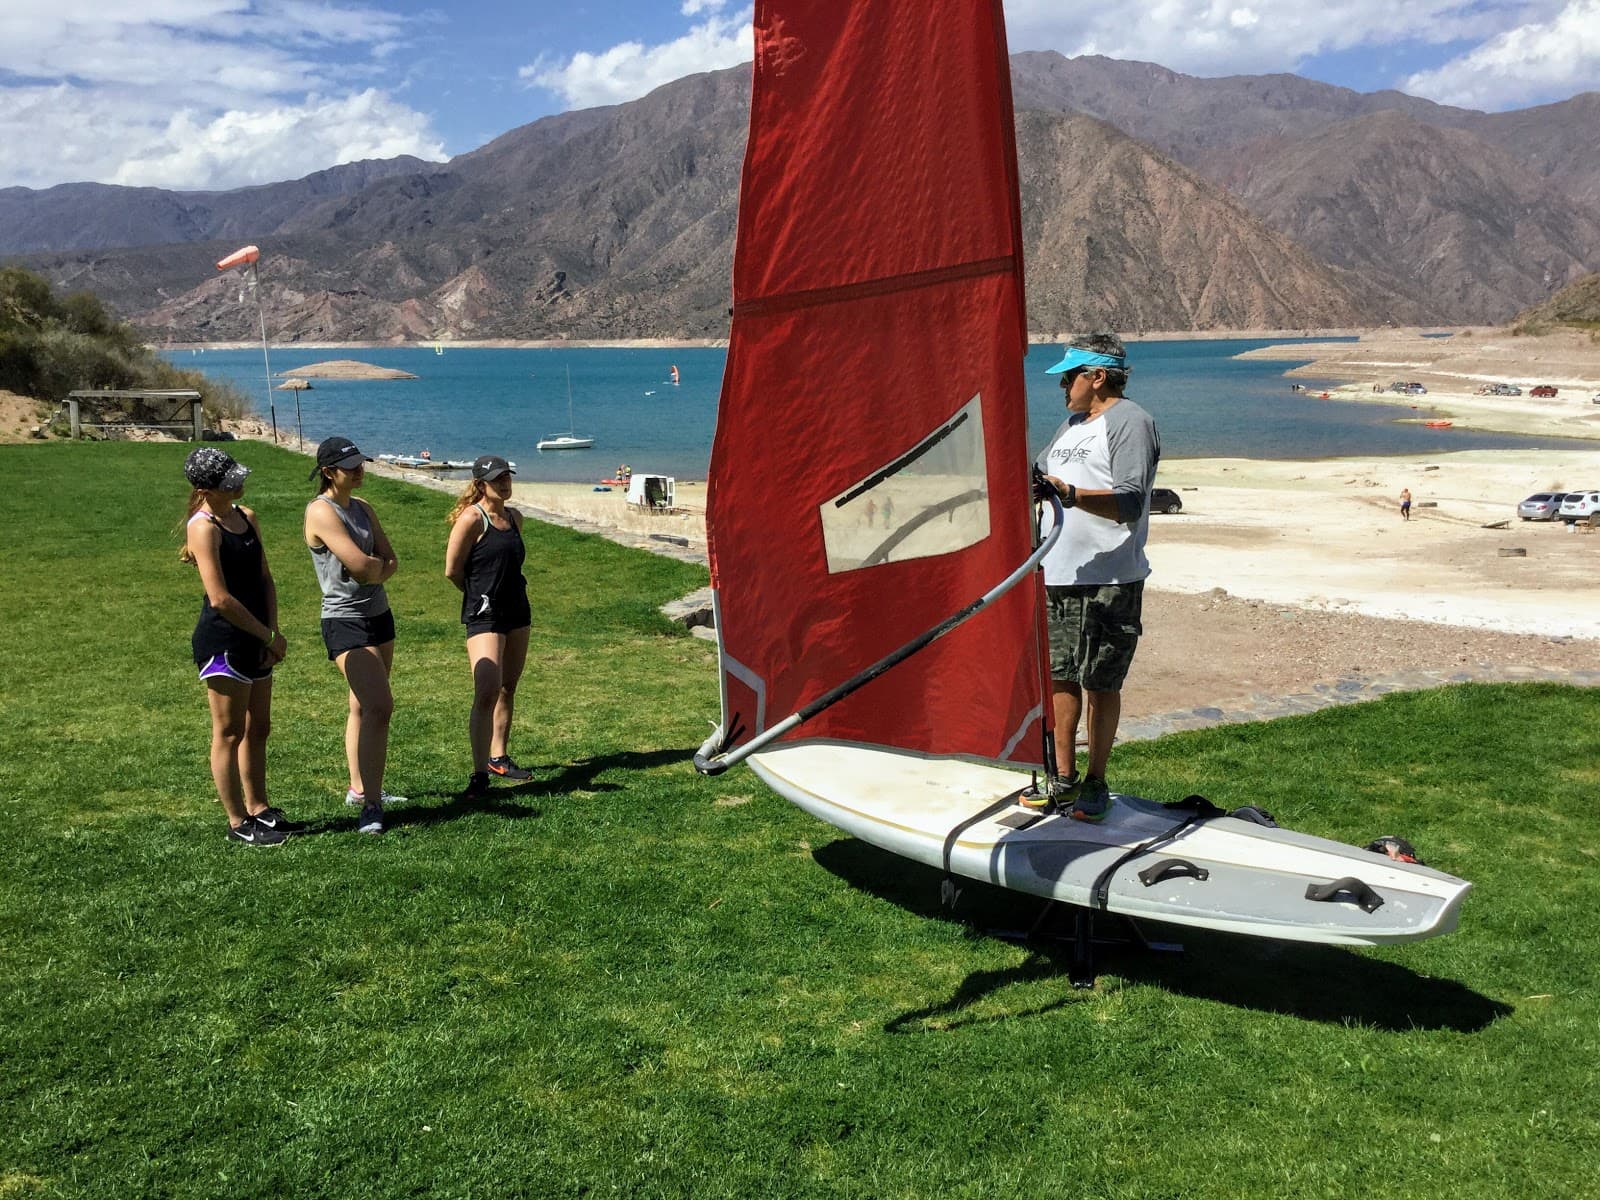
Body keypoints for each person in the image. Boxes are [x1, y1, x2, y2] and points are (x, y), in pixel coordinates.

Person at [1022, 333, 1161, 822]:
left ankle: (1096, 782)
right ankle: (1062, 778)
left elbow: (1128, 501)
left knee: (1101, 679)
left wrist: (1071, 493)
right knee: (1061, 674)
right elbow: (1037, 477)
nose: (1062, 385)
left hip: (1112, 577)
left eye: (1069, 376)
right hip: (1056, 572)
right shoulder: (1069, 425)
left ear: (1097, 377)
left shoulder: (1131, 422)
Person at [181, 446, 305, 845]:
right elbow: (219, 598)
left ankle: (260, 809)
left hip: (256, 637)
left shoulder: (247, 517)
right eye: (228, 479)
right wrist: (267, 635)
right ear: (205, 488)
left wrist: (272, 629)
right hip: (224, 641)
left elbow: (265, 579)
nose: (238, 482)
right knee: (229, 732)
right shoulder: (203, 528)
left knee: (258, 727)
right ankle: (238, 822)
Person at [304, 437, 405, 834]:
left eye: (361, 463)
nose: (360, 470)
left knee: (362, 708)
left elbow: (390, 560)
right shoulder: (320, 511)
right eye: (351, 466)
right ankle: (372, 807)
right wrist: (374, 568)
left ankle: (360, 789)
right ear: (329, 472)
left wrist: (374, 568)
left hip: (379, 616)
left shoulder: (363, 508)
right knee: (380, 706)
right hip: (344, 620)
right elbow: (363, 567)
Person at [444, 454, 534, 797]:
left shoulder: (515, 518)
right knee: (486, 689)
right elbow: (452, 569)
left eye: (507, 477)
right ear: (481, 485)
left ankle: (499, 757)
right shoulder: (471, 519)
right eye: (497, 479)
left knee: (508, 687)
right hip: (485, 614)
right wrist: (477, 596)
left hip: (517, 611)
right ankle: (479, 774)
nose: (505, 484)